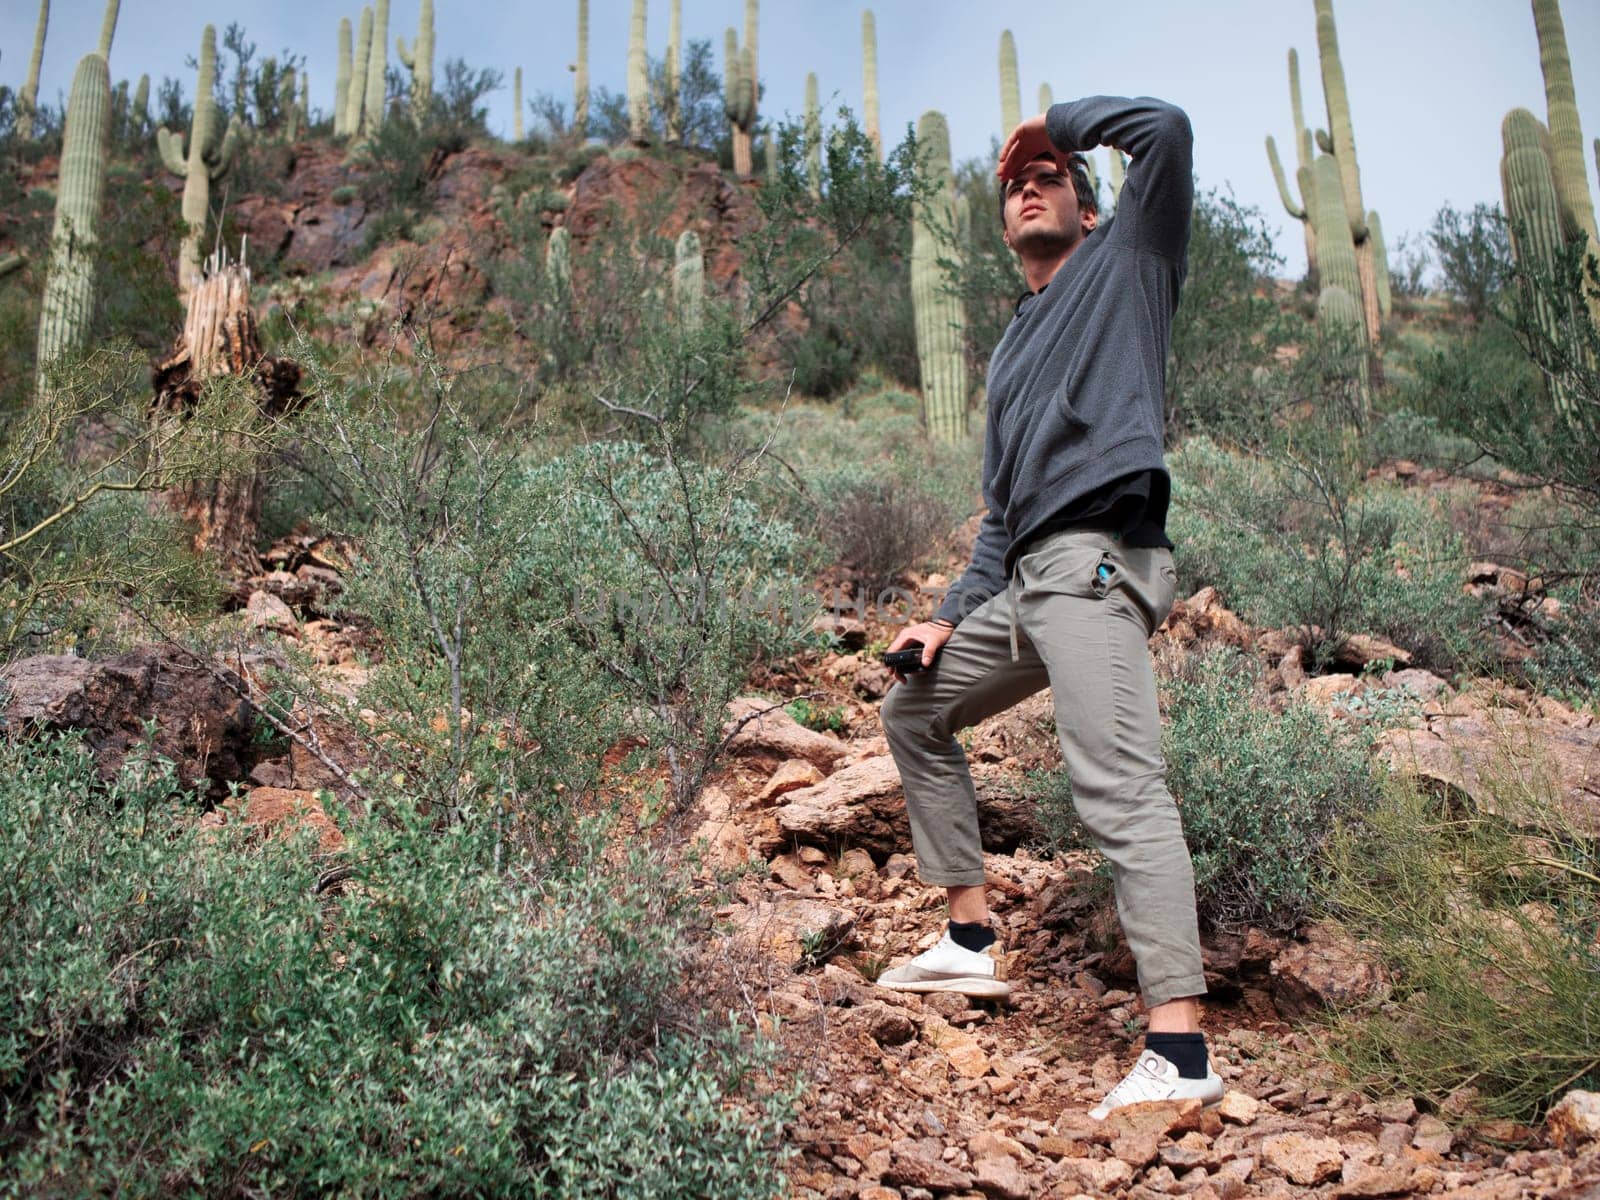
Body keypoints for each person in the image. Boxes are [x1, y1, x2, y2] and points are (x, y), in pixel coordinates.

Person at [874, 96, 1224, 1119]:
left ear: (1084, 195)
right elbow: (1000, 511)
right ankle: (971, 941)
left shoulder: (1129, 262)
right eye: (1013, 182)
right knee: (912, 710)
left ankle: (1180, 1056)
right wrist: (946, 614)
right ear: (1003, 223)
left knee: (1116, 786)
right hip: (1025, 578)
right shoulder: (1013, 353)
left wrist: (1052, 118)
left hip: (1095, 566)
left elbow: (1162, 128)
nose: (1028, 185)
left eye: (1049, 174)